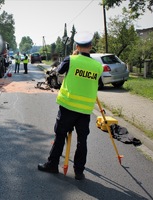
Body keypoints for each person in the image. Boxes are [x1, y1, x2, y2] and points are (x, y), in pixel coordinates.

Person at [38, 32, 103, 180]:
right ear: (91, 47)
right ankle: (79, 172)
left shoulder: (71, 59)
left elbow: (59, 70)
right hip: (85, 110)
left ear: (77, 46)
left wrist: (73, 57)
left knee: (60, 136)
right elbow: (97, 84)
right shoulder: (97, 66)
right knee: (82, 140)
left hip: (67, 107)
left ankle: (53, 165)